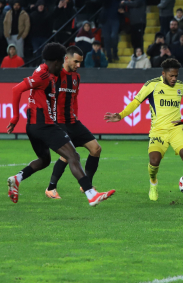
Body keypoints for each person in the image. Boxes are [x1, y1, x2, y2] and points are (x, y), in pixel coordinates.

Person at [7, 43, 115, 206]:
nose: (77, 66)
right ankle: (90, 194)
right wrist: (15, 118)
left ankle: (17, 178)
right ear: (59, 61)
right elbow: (16, 89)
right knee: (72, 156)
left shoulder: (50, 73)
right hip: (46, 124)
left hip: (37, 125)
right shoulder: (44, 75)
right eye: (75, 62)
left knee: (44, 160)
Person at [104, 59, 183, 202]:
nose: (174, 79)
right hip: (158, 131)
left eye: (176, 76)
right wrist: (121, 115)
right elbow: (136, 102)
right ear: (163, 74)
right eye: (171, 76)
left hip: (176, 129)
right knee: (154, 161)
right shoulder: (152, 85)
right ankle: (153, 182)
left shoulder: (181, 86)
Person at [43, 47, 104, 198]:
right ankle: (51, 188)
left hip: (73, 122)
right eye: (76, 61)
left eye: (80, 62)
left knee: (96, 149)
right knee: (68, 155)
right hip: (59, 123)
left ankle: (87, 185)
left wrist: (75, 116)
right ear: (66, 59)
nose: (78, 65)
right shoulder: (55, 75)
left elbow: (74, 99)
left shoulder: (76, 77)